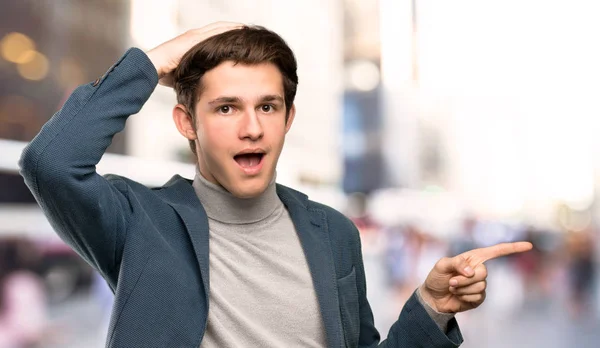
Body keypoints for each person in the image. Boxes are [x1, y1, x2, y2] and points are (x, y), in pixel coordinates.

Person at [19, 22, 532, 347]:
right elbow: (50, 161)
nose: (252, 127)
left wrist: (432, 307)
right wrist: (152, 63)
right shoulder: (139, 222)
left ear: (288, 119)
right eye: (226, 108)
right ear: (186, 123)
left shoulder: (333, 233)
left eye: (268, 105)